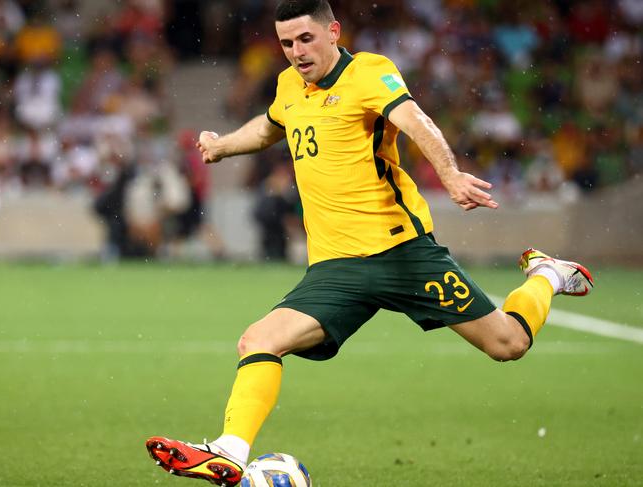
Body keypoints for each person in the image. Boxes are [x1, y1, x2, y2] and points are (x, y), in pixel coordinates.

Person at [146, 1, 594, 485]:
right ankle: (230, 452)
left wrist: (449, 174)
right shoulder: (288, 86)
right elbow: (271, 126)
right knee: (258, 340)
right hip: (336, 269)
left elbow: (416, 121)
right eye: (287, 43)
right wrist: (222, 145)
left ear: (333, 32)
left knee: (508, 343)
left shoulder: (369, 73)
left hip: (402, 253)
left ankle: (546, 273)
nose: (297, 52)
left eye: (306, 39)